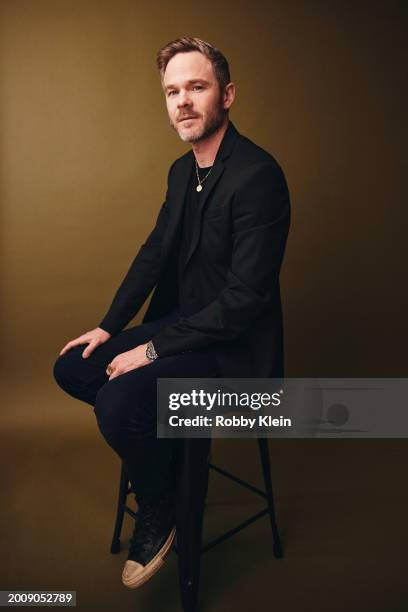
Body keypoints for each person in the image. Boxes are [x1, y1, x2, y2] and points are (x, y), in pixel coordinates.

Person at [53, 36, 291, 589]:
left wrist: (151, 350)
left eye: (196, 88)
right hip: (185, 330)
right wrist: (110, 327)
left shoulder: (259, 176)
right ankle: (162, 477)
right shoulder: (182, 172)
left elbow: (242, 302)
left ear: (226, 95)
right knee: (74, 367)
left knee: (116, 402)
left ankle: (159, 511)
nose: (182, 101)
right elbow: (155, 253)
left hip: (236, 354)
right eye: (172, 91)